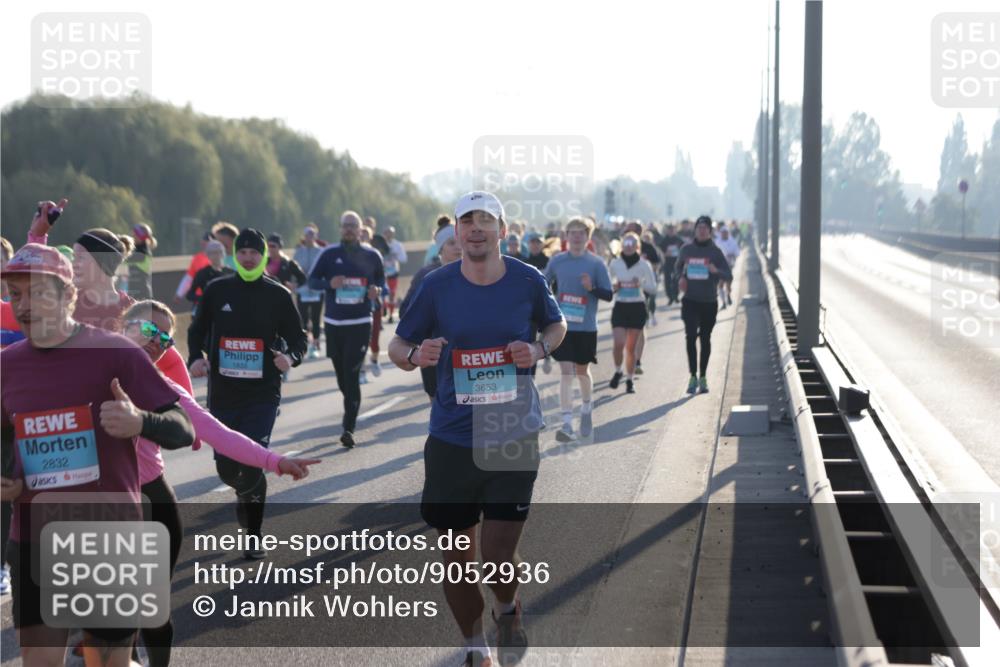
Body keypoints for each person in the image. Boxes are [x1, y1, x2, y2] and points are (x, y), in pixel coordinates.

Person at [389, 191, 566, 667]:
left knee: (496, 558)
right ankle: (475, 645)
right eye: (467, 220)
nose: (475, 228)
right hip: (451, 438)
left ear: (502, 231)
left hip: (511, 429)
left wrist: (540, 350)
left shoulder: (527, 280)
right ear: (457, 232)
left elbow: (556, 325)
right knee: (456, 559)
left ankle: (506, 607)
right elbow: (398, 343)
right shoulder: (436, 285)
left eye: (486, 220)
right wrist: (412, 357)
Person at [1, 243, 195, 667]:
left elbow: (183, 428)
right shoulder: (7, 366)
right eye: (15, 295)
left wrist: (141, 422)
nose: (25, 306)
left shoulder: (115, 353)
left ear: (70, 295)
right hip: (33, 537)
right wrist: (7, 477)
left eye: (38, 293)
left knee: (109, 663)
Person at [123, 299, 319, 667]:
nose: (156, 341)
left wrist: (275, 461)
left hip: (151, 500)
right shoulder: (86, 373)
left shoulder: (164, 388)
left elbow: (218, 433)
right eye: (149, 330)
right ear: (123, 327)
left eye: (165, 338)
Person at [187, 228, 308, 558]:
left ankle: (253, 536)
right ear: (234, 255)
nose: (249, 257)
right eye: (243, 252)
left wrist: (290, 357)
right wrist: (196, 357)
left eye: (255, 252)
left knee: (253, 460)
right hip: (224, 394)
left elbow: (299, 339)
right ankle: (244, 492)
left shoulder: (278, 294)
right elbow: (196, 331)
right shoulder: (217, 290)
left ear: (264, 256)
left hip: (262, 394)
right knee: (227, 467)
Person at [307, 212, 385, 449]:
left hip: (360, 322)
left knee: (351, 374)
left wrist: (377, 292)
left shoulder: (372, 255)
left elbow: (381, 284)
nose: (349, 230)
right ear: (340, 229)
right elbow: (312, 281)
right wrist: (328, 284)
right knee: (342, 375)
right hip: (333, 324)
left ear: (361, 229)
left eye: (353, 226)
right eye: (345, 226)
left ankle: (348, 428)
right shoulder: (329, 254)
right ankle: (350, 401)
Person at [544, 217, 613, 441]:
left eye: (580, 233)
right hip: (562, 327)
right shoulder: (557, 261)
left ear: (587, 236)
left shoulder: (596, 264)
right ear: (566, 236)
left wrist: (591, 288)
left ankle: (585, 409)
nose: (576, 236)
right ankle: (566, 424)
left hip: (586, 327)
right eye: (572, 232)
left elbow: (608, 295)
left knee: (581, 372)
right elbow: (542, 286)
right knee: (566, 372)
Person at [398, 226, 461, 401]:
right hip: (435, 351)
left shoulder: (476, 273)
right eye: (451, 243)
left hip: (466, 352)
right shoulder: (426, 275)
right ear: (440, 248)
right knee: (438, 402)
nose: (458, 247)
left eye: (460, 242)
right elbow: (406, 310)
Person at [674, 215, 733, 394]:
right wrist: (680, 278)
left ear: (709, 231)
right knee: (691, 336)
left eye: (705, 228)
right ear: (695, 230)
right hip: (690, 300)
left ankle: (703, 376)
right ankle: (692, 376)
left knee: (705, 338)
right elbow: (676, 269)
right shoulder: (686, 249)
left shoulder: (715, 252)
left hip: (709, 301)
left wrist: (716, 270)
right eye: (699, 227)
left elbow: (728, 275)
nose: (701, 230)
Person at [608, 232, 657, 394]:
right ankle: (617, 370)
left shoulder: (644, 265)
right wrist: (615, 287)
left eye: (632, 243)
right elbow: (607, 286)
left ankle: (629, 380)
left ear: (637, 246)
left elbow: (653, 288)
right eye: (626, 243)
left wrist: (640, 284)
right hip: (620, 306)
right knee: (618, 344)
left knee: (630, 348)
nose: (628, 246)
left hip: (637, 307)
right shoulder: (615, 263)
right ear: (622, 245)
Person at [293, 225, 326, 358]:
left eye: (312, 234)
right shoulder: (299, 252)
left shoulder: (321, 251)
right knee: (304, 319)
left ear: (316, 236)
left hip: (317, 290)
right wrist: (294, 283)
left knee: (316, 319)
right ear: (304, 236)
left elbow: (324, 269)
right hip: (302, 290)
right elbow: (293, 269)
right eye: (308, 234)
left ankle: (316, 344)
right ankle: (305, 344)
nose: (310, 237)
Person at [186, 240, 233, 315]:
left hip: (227, 311)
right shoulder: (202, 273)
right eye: (213, 253)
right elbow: (189, 294)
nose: (217, 255)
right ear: (207, 255)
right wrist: (204, 298)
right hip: (207, 311)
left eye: (220, 252)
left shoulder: (231, 273)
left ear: (224, 254)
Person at [174, 231, 214, 306]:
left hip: (214, 297)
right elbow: (189, 277)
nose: (204, 243)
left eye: (207, 241)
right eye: (203, 241)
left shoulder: (220, 258)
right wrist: (179, 294)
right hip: (199, 298)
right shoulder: (197, 258)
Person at [381, 226, 408, 323]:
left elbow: (404, 259)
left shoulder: (397, 245)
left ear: (393, 234)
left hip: (393, 272)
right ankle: (383, 308)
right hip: (381, 273)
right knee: (382, 293)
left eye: (390, 233)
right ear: (384, 234)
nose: (388, 235)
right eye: (386, 233)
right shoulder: (380, 244)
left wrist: (395, 255)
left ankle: (391, 315)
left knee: (392, 294)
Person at [126, 222, 157, 300]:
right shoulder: (138, 250)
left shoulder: (143, 253)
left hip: (142, 295)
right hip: (136, 293)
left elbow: (123, 260)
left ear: (140, 237)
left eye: (135, 234)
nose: (132, 236)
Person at [658, 223, 685, 306]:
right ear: (667, 231)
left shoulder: (679, 239)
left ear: (675, 230)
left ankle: (676, 296)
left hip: (677, 263)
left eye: (673, 230)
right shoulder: (664, 240)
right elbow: (659, 248)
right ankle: (670, 297)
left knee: (676, 280)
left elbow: (684, 248)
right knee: (667, 280)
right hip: (667, 262)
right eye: (670, 230)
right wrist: (665, 253)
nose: (671, 231)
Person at [715, 226, 740, 309]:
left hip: (729, 265)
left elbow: (737, 252)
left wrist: (732, 255)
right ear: (721, 234)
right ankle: (723, 302)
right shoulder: (717, 242)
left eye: (726, 233)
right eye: (723, 233)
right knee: (720, 283)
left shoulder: (732, 242)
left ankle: (728, 294)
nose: (724, 234)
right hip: (720, 266)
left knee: (728, 283)